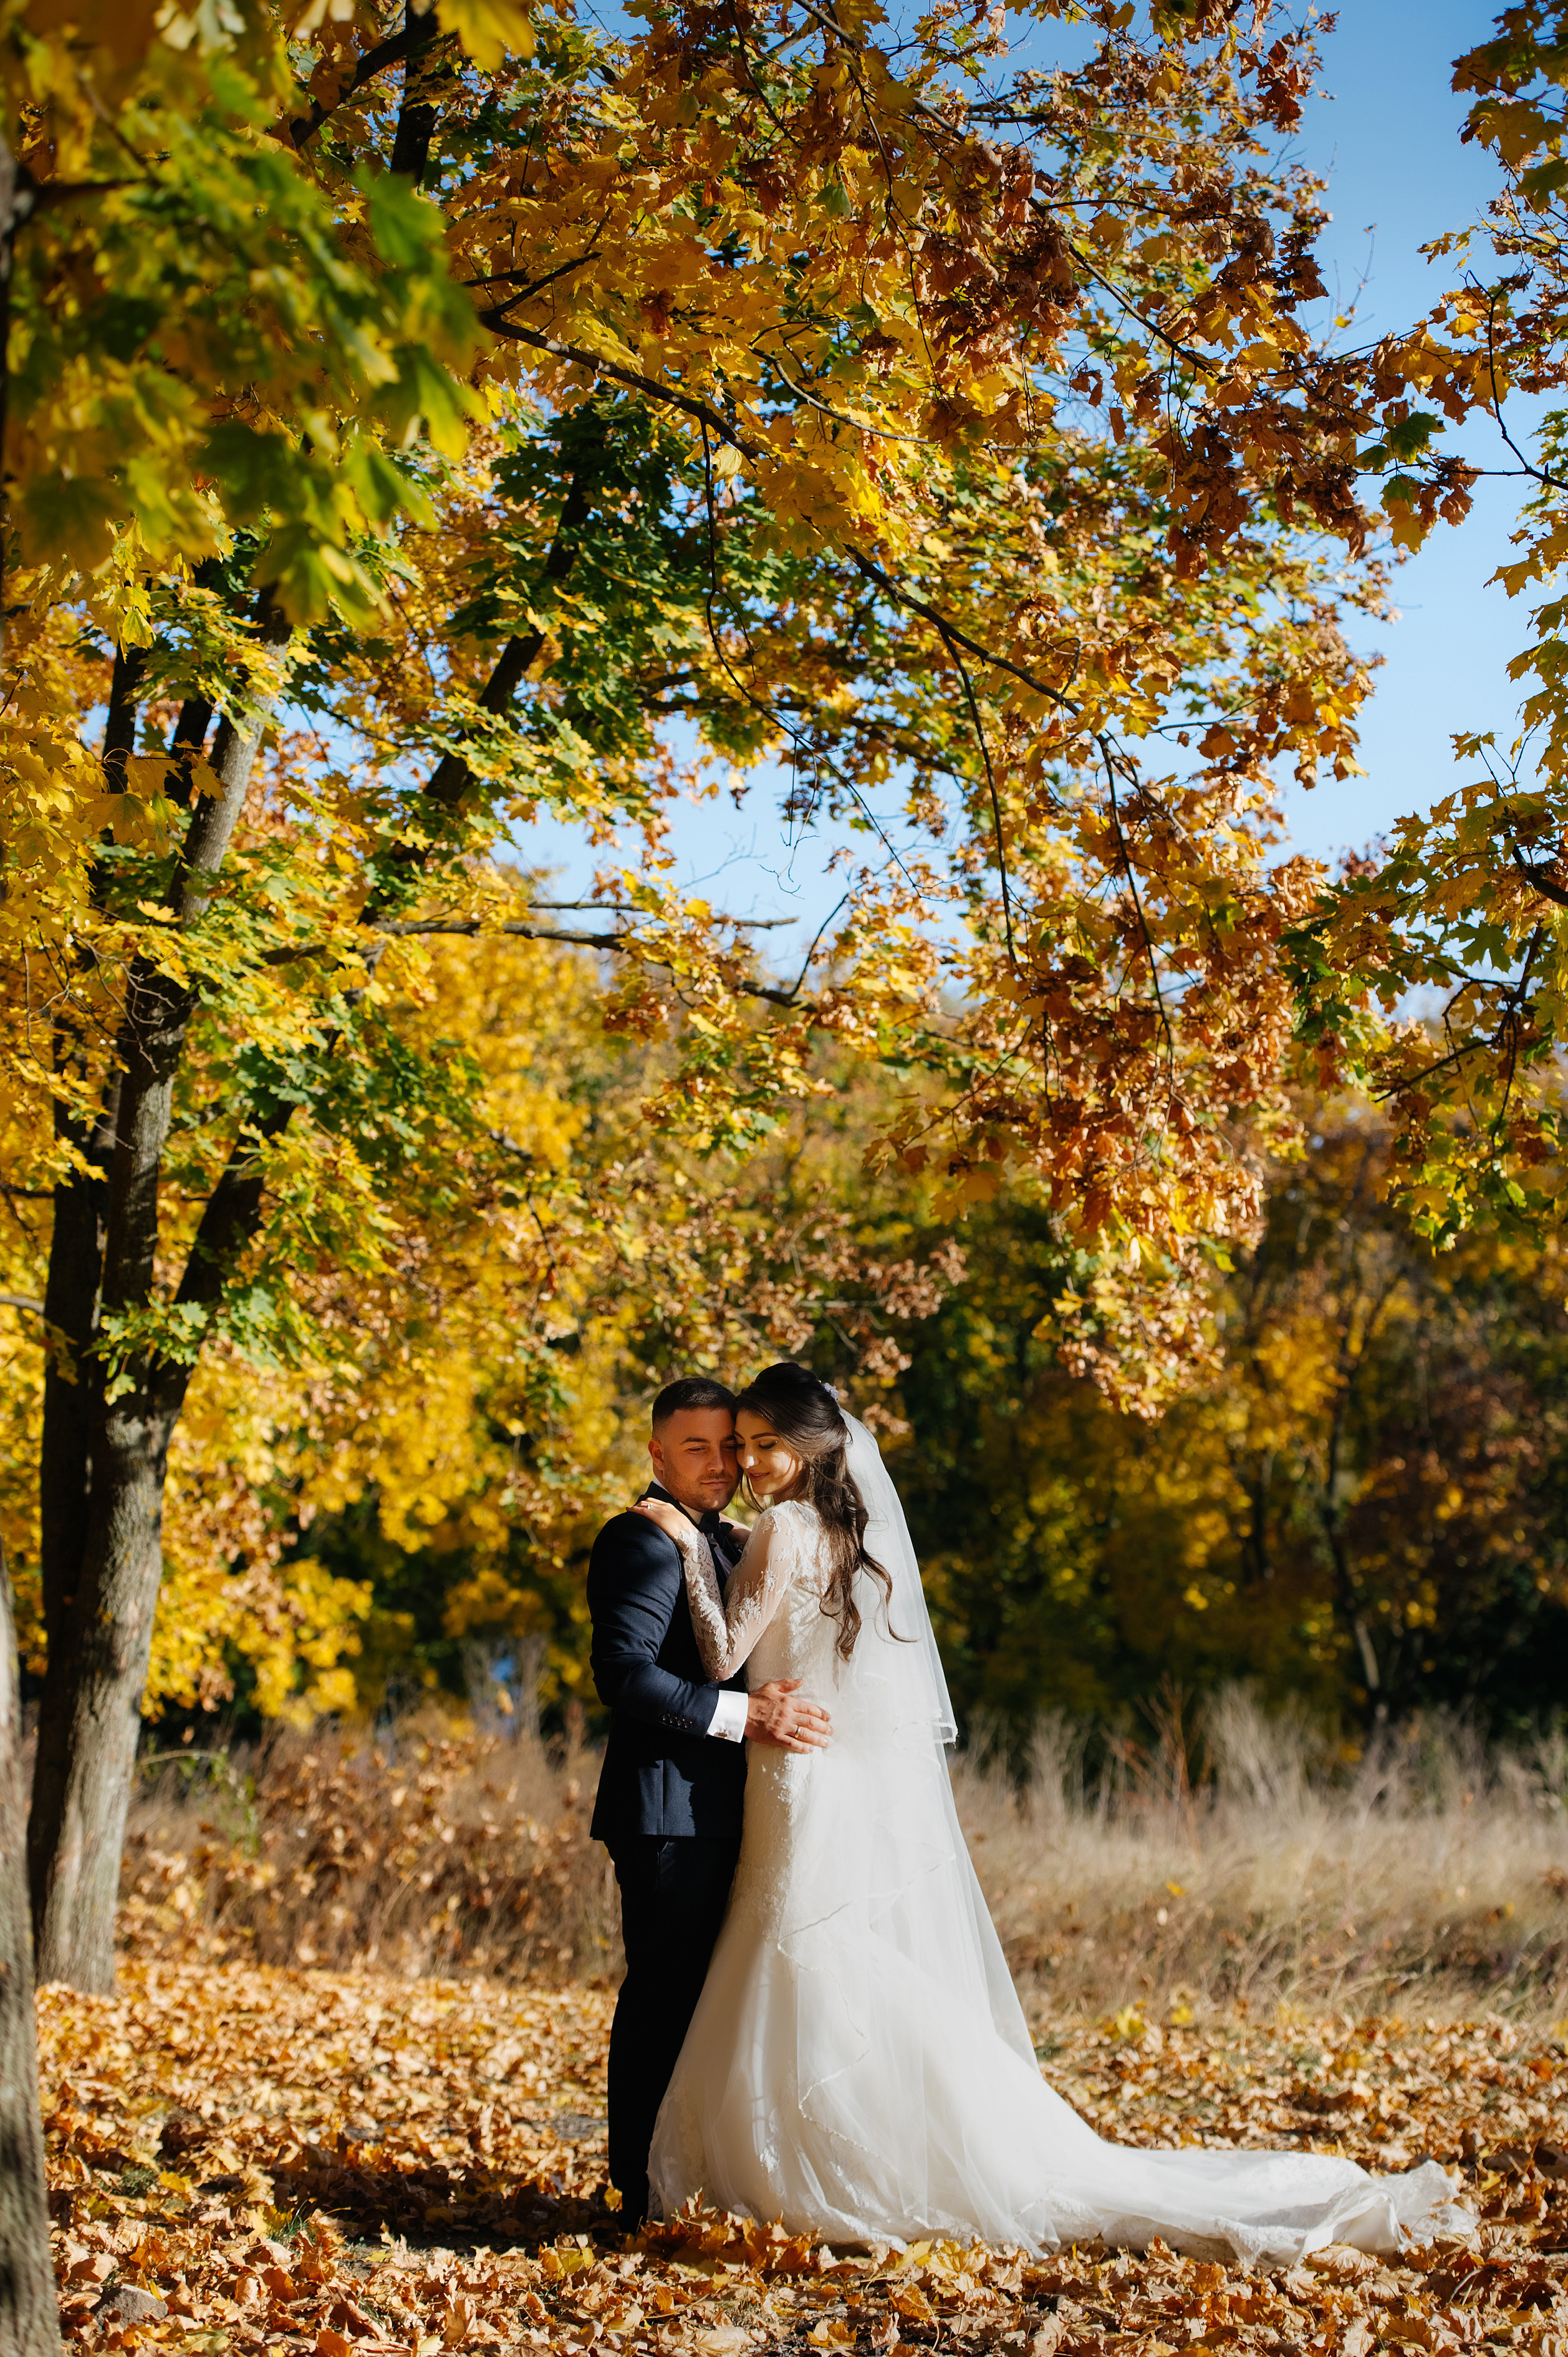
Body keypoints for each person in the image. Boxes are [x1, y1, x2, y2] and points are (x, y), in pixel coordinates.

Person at [632, 1362, 1473, 2265]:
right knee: (824, 1958)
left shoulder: (785, 1530)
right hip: (823, 1770)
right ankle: (871, 2145)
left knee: (802, 1954)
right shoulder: (854, 1531)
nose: (752, 1463)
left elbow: (720, 1657)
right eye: (743, 1447)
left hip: (795, 1773)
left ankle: (823, 2163)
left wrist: (682, 1540)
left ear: (812, 1447)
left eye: (766, 1446)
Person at [586, 1374, 832, 2228]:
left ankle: (686, 2179)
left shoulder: (727, 1538)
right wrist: (745, 1713)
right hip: (668, 1812)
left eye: (729, 1445)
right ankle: (634, 2191)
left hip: (736, 1812)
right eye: (696, 1447)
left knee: (714, 2000)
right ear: (656, 1452)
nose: (721, 1462)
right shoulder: (639, 1541)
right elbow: (624, 1675)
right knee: (664, 1996)